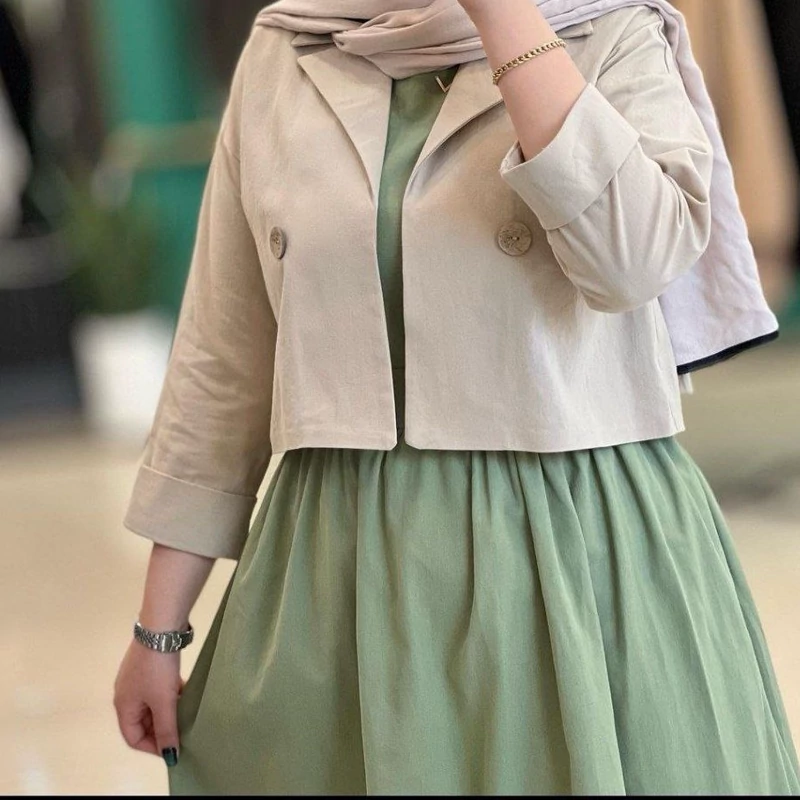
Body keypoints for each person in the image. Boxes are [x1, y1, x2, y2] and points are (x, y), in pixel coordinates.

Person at [113, 0, 800, 794]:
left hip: (575, 555)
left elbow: (633, 262)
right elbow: (223, 360)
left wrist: (503, 14)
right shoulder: (287, 44)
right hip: (338, 569)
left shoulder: (613, 28)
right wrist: (157, 630)